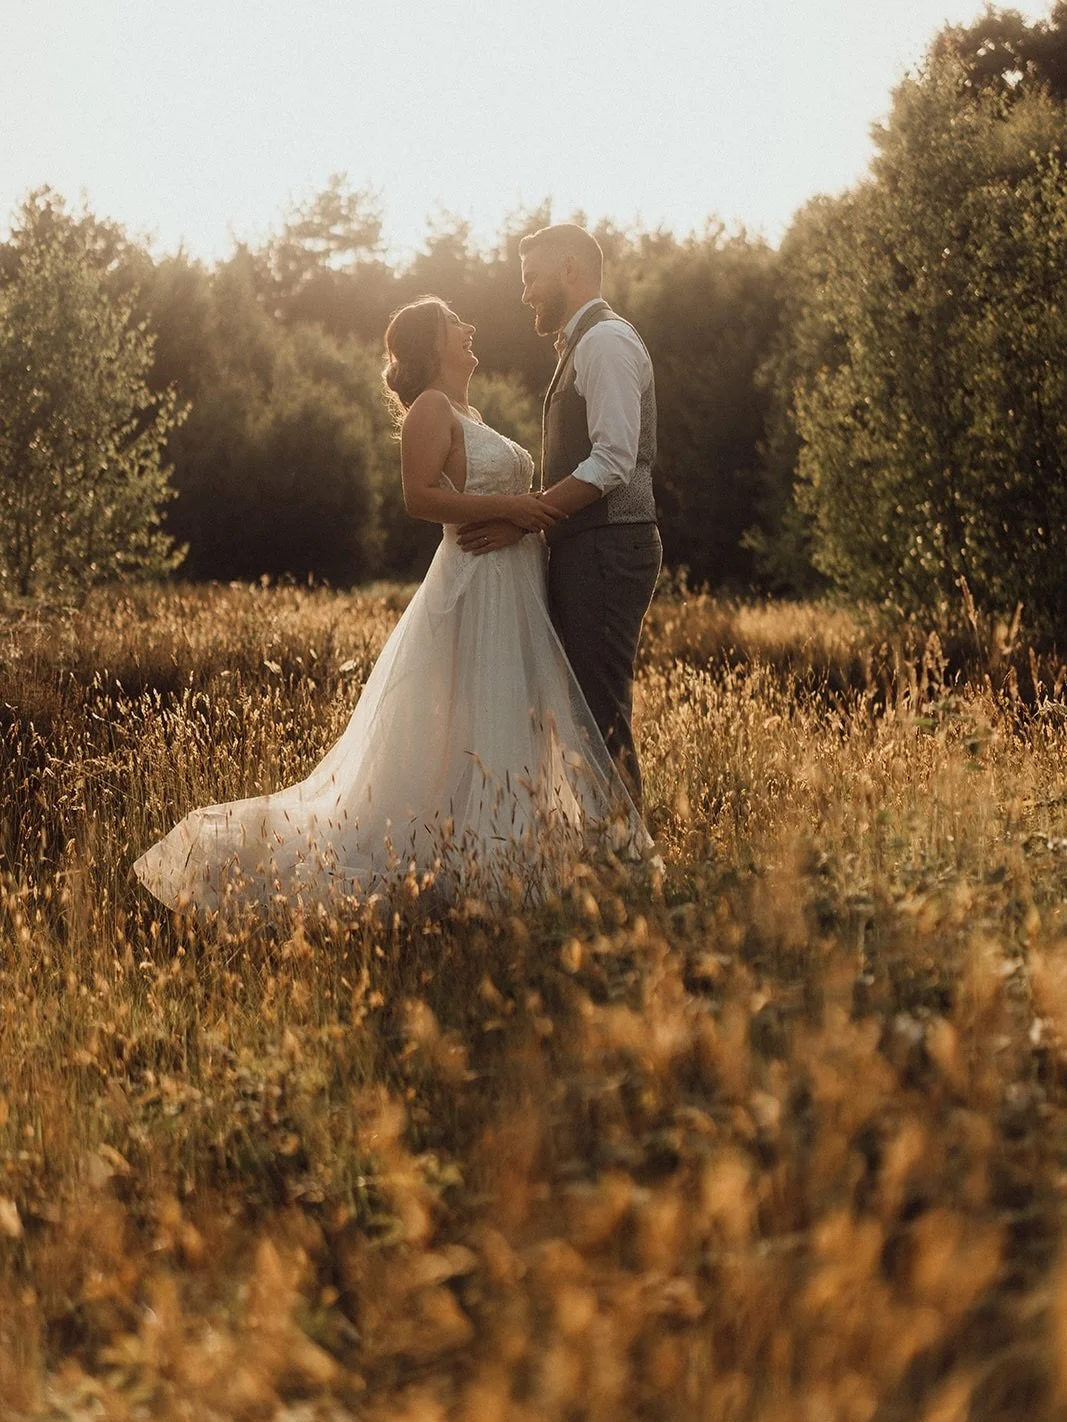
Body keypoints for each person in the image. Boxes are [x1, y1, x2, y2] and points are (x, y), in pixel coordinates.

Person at [133, 297, 653, 914]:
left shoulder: (469, 412)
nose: (470, 327)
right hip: (474, 585)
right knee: (472, 720)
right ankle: (473, 861)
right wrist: (511, 509)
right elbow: (419, 497)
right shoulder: (429, 410)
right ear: (432, 345)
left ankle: (514, 850)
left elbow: (503, 500)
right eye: (455, 324)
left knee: (512, 715)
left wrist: (520, 517)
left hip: (513, 584)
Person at [457, 224, 661, 810]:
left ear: (569, 269)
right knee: (585, 709)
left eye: (531, 278)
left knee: (599, 712)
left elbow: (613, 460)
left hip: (608, 545)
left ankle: (624, 859)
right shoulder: (583, 343)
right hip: (590, 545)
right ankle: (604, 851)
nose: (524, 293)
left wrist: (525, 519)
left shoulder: (605, 342)